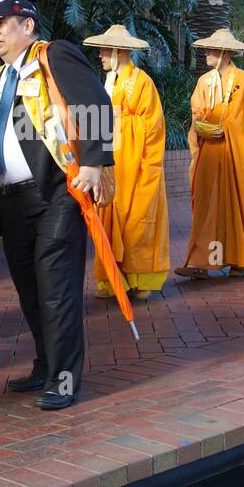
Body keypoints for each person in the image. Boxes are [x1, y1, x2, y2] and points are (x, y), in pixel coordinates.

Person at [0, 0, 114, 410]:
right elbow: (12, 126)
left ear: (27, 26)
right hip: (11, 202)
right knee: (30, 289)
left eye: (1, 23)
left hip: (55, 195)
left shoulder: (52, 56)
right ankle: (46, 364)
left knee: (56, 288)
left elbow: (95, 101)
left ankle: (64, 380)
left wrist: (95, 162)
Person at [176, 28, 244, 278]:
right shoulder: (204, 81)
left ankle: (237, 260)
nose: (207, 54)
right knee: (207, 210)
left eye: (211, 50)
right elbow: (197, 115)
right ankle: (204, 262)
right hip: (209, 155)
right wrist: (202, 127)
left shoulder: (243, 81)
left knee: (237, 208)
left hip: (235, 156)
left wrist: (227, 127)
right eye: (208, 49)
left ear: (224, 53)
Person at [82, 25, 170, 299]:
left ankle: (141, 280)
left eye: (105, 51)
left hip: (137, 165)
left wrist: (119, 120)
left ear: (119, 52)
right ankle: (112, 278)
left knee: (136, 222)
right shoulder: (108, 82)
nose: (100, 55)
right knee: (111, 220)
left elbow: (153, 126)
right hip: (112, 164)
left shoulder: (142, 82)